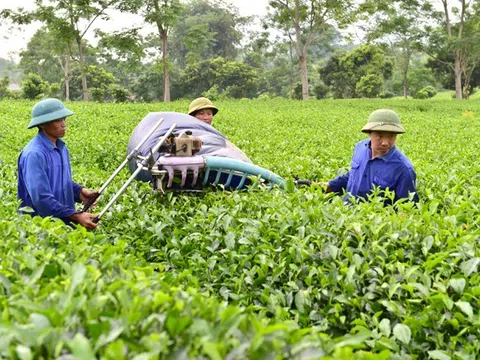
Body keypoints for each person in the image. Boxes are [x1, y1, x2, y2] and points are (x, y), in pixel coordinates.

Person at [17, 98, 99, 229]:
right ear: (42, 124)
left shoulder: (61, 148)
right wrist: (76, 215)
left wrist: (79, 192)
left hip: (63, 225)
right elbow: (41, 198)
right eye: (58, 120)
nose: (63, 124)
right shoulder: (34, 154)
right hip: (39, 229)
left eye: (64, 119)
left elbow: (60, 181)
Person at [326, 109, 418, 204]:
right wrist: (327, 186)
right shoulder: (360, 147)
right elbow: (353, 175)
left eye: (391, 136)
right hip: (346, 213)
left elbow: (407, 207)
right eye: (379, 136)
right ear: (369, 133)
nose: (385, 143)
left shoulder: (403, 169)